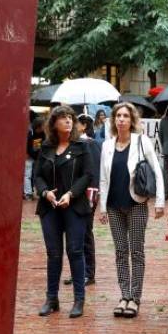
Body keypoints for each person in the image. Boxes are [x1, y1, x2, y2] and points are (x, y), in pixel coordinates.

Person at [98, 102, 165, 318]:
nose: (121, 119)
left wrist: (160, 201)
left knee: (136, 251)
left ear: (132, 120)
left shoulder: (142, 141)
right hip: (113, 206)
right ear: (113, 120)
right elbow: (103, 178)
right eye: (118, 115)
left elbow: (157, 171)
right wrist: (102, 207)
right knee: (120, 252)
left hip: (136, 204)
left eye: (126, 116)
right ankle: (124, 296)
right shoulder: (107, 145)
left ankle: (135, 298)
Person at [33, 105, 94, 319]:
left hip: (74, 206)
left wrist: (71, 194)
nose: (68, 121)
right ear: (54, 123)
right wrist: (45, 192)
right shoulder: (46, 147)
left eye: (70, 117)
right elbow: (37, 176)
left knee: (75, 251)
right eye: (63, 118)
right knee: (53, 253)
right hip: (49, 207)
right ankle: (52, 299)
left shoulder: (82, 146)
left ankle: (79, 299)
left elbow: (88, 175)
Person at [64, 113, 102, 287]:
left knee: (85, 232)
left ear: (84, 125)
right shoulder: (73, 143)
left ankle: (88, 272)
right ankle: (78, 271)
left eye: (76, 122)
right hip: (73, 193)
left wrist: (92, 195)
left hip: (87, 194)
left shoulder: (91, 144)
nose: (72, 125)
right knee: (74, 233)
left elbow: (94, 171)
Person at [24, 117, 44, 200]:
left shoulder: (42, 134)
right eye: (43, 126)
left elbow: (38, 147)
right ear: (38, 126)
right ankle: (28, 193)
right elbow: (27, 147)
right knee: (27, 175)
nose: (44, 127)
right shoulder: (30, 133)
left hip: (37, 157)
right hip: (28, 156)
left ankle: (33, 191)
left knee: (35, 174)